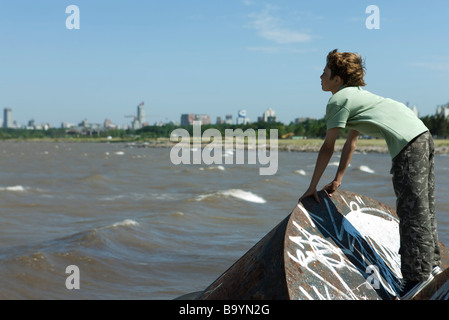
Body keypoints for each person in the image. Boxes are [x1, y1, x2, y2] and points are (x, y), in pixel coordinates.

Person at [298, 49, 441, 300]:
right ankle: (432, 264)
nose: (320, 76)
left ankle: (417, 277)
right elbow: (351, 142)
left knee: (411, 209)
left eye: (325, 72)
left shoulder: (338, 100)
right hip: (423, 135)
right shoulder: (357, 97)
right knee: (424, 206)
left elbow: (327, 146)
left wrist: (313, 186)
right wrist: (338, 179)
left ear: (337, 80)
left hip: (408, 144)